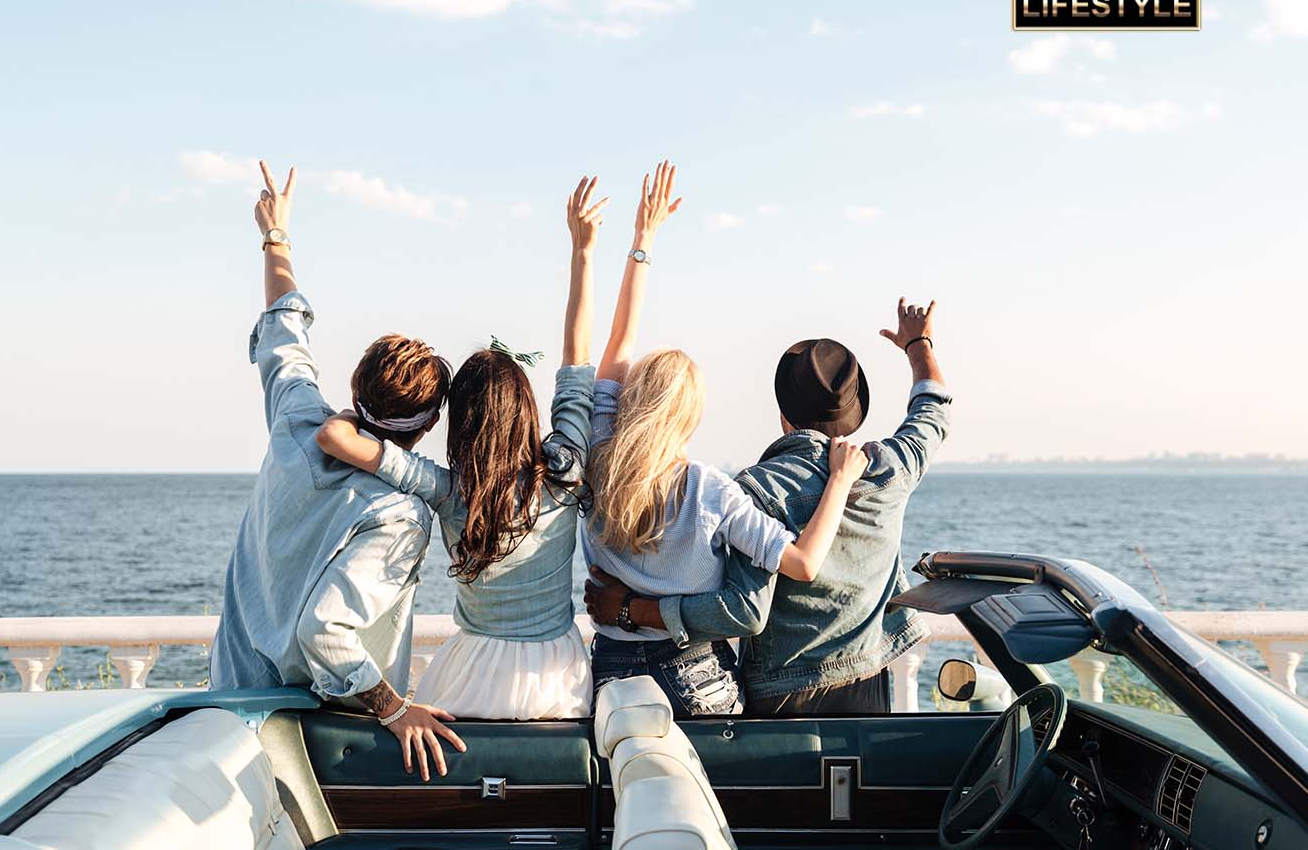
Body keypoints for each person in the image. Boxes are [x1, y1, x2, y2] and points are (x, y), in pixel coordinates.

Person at [311, 177, 609, 719]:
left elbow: (333, 437)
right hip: (554, 676)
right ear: (525, 407)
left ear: (459, 425)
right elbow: (577, 360)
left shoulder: (447, 490)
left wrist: (360, 410)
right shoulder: (565, 470)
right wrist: (583, 251)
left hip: (471, 670)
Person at [209, 160, 466, 781]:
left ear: (356, 388)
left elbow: (285, 331)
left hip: (225, 706)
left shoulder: (295, 423)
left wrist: (275, 236)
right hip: (307, 742)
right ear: (430, 425)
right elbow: (323, 630)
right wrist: (394, 708)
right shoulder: (401, 514)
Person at [582, 160, 870, 717]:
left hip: (612, 671)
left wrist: (643, 240)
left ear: (632, 401)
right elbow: (803, 563)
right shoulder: (711, 492)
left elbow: (619, 340)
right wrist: (839, 480)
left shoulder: (597, 460)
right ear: (690, 417)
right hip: (695, 677)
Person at [583, 299, 950, 715]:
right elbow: (933, 413)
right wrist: (919, 345)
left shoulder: (756, 488)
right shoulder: (889, 468)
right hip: (869, 677)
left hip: (782, 692)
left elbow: (743, 609)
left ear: (783, 414)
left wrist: (632, 610)